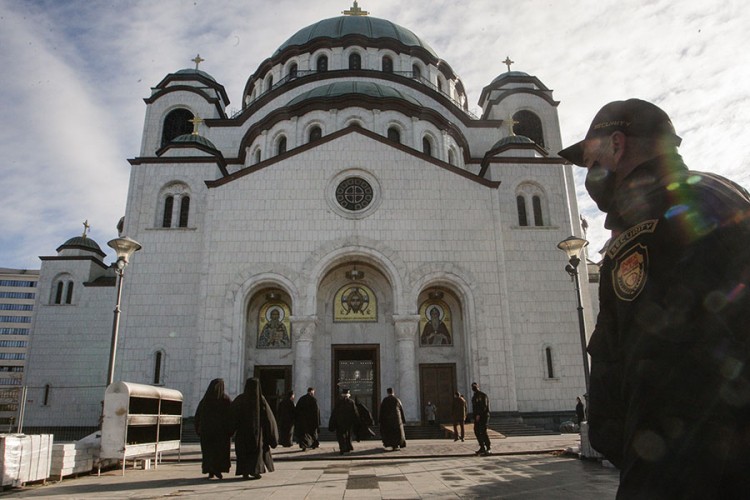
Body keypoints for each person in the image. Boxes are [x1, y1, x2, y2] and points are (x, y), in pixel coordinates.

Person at [559, 98, 750, 498]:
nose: (590, 175)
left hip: (681, 463)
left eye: (592, 162)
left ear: (617, 144)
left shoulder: (648, 222)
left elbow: (649, 359)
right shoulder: (726, 194)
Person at [230, 378, 279, 480]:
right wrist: (272, 435)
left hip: (242, 434)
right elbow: (269, 419)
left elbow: (232, 416)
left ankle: (244, 472)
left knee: (243, 453)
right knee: (256, 453)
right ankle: (255, 471)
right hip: (258, 434)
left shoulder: (240, 399)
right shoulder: (261, 400)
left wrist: (230, 430)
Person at [194, 378, 232, 480]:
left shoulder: (205, 401)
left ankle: (210, 470)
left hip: (207, 433)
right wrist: (231, 430)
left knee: (208, 452)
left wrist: (198, 429)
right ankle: (217, 469)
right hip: (221, 434)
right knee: (219, 452)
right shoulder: (225, 400)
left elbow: (197, 416)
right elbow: (231, 416)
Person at [329, 388, 359, 455]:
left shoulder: (339, 402)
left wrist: (333, 422)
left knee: (340, 436)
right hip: (348, 422)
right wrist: (356, 421)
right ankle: (348, 447)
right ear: (348, 394)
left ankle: (342, 448)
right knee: (348, 435)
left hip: (340, 422)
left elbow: (335, 413)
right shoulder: (351, 402)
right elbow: (355, 412)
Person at [471, 382, 491, 456]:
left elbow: (484, 406)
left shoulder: (483, 395)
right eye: (473, 386)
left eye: (475, 386)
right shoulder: (474, 396)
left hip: (484, 416)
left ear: (478, 386)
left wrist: (479, 414)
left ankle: (488, 447)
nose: (474, 387)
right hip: (477, 417)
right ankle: (482, 447)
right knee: (476, 431)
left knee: (483, 431)